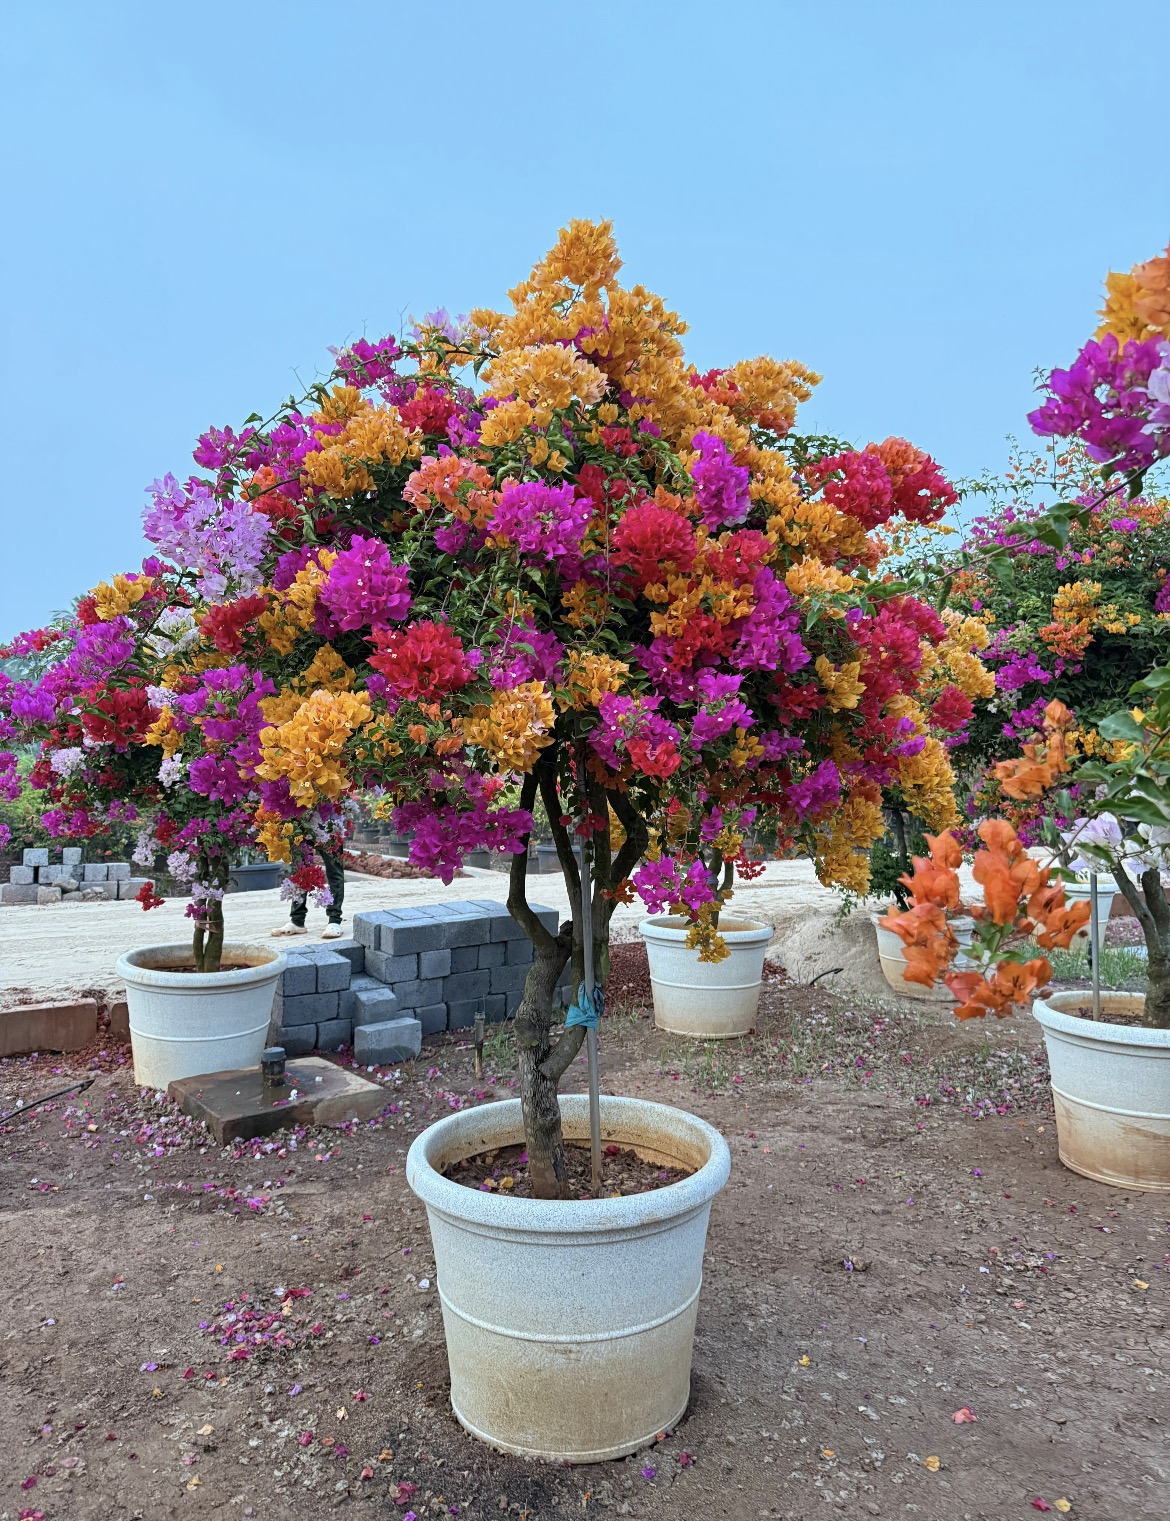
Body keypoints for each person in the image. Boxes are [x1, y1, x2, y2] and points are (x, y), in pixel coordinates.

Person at [272, 843, 346, 940]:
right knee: (300, 867)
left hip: (328, 829)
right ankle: (297, 920)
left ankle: (334, 920)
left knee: (334, 869)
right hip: (302, 829)